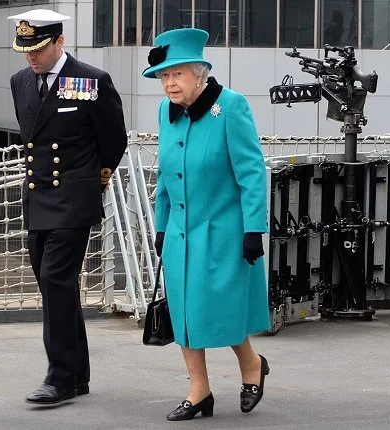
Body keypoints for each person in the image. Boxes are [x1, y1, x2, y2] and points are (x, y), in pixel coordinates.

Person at [142, 28, 270, 421]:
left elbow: (251, 173)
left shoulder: (230, 107)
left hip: (225, 232)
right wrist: (161, 226)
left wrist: (254, 230)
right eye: (163, 77)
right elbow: (165, 174)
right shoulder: (167, 111)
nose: (169, 83)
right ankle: (199, 390)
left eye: (176, 74)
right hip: (181, 232)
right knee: (183, 312)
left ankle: (252, 364)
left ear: (199, 73)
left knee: (222, 310)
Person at [7, 9, 127, 406]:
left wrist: (93, 179)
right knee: (54, 287)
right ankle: (77, 375)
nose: (31, 58)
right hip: (38, 197)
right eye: (26, 50)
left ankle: (58, 377)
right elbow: (33, 140)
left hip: (74, 197)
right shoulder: (20, 81)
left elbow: (114, 139)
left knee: (56, 281)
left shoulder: (92, 81)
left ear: (59, 42)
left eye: (38, 49)